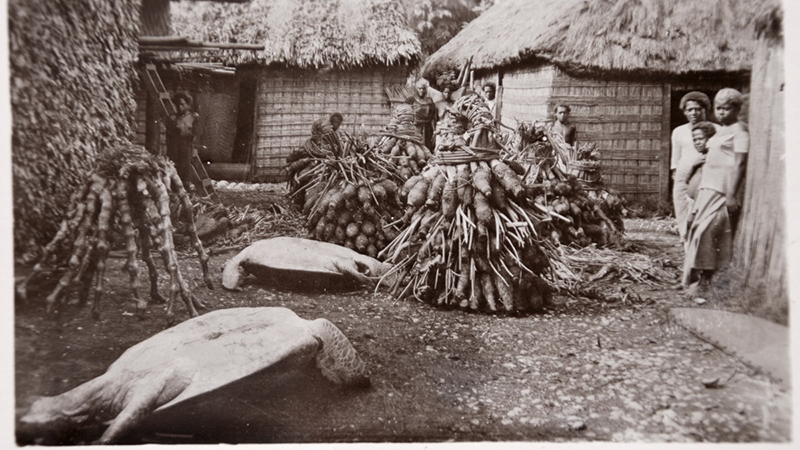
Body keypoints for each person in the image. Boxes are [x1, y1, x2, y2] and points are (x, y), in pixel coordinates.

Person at [682, 89, 749, 294]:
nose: (720, 113)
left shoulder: (740, 132)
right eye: (718, 108)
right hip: (706, 188)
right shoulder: (720, 131)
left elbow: (739, 164)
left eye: (726, 108)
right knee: (694, 229)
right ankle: (692, 277)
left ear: (737, 109)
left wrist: (731, 194)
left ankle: (707, 278)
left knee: (708, 233)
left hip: (721, 190)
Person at [673, 121, 716, 241]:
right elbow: (687, 181)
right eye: (694, 140)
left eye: (700, 139)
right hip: (693, 204)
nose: (696, 143)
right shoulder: (700, 159)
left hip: (703, 206)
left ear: (711, 139)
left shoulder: (712, 159)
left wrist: (694, 212)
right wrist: (693, 166)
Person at [165, 92, 199, 186]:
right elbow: (169, 136)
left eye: (182, 104)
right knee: (175, 166)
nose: (180, 107)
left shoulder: (193, 117)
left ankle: (187, 186)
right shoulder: (173, 118)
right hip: (175, 145)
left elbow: (196, 134)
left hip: (187, 145)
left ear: (187, 104)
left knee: (186, 166)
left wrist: (194, 147)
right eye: (177, 105)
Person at [406, 78, 437, 151]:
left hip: (428, 128)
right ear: (416, 89)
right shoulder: (410, 100)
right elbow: (405, 114)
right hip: (415, 128)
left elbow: (433, 117)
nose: (421, 91)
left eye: (423, 89)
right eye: (419, 89)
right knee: (416, 147)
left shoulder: (429, 101)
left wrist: (434, 131)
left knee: (428, 148)